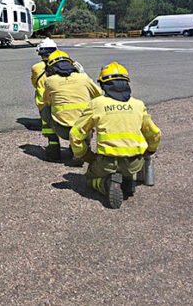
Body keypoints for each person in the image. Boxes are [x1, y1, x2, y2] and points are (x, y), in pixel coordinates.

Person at [69, 62, 162, 209]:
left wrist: (83, 155)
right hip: (134, 162)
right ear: (126, 83)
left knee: (89, 178)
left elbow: (75, 134)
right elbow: (154, 133)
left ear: (103, 85)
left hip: (107, 162)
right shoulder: (138, 104)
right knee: (129, 171)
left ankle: (106, 184)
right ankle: (127, 181)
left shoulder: (97, 104)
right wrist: (150, 150)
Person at [41, 50, 101, 162]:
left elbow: (47, 101)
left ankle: (53, 148)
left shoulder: (50, 81)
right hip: (84, 130)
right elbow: (99, 94)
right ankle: (83, 149)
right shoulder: (83, 78)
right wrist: (83, 74)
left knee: (45, 110)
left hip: (62, 130)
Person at [31, 38, 58, 146]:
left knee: (48, 128)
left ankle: (53, 149)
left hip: (43, 103)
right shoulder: (67, 64)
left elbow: (34, 84)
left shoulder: (36, 68)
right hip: (61, 100)